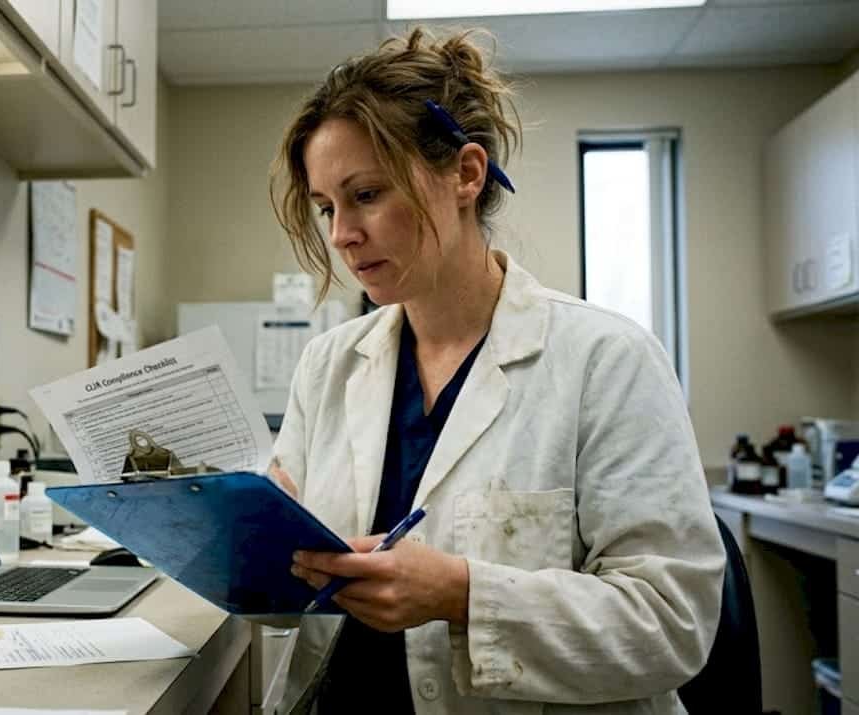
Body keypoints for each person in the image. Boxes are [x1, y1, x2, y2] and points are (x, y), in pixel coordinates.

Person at [264, 27, 725, 714]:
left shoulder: (606, 360)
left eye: (366, 195)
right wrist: (250, 542)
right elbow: (287, 593)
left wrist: (462, 593)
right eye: (327, 207)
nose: (341, 235)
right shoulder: (329, 364)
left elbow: (671, 622)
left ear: (466, 174)